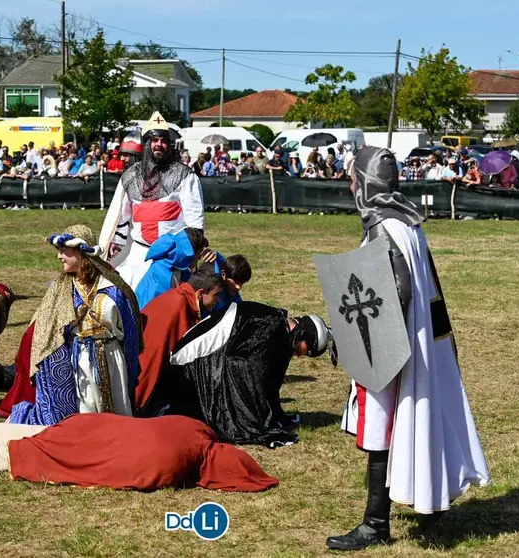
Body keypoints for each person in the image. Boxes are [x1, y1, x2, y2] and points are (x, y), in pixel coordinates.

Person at [326, 146, 491, 551]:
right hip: (418, 341)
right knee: (416, 420)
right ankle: (431, 506)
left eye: (353, 179)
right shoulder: (409, 221)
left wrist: (368, 342)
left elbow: (397, 292)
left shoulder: (384, 226)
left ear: (364, 184)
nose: (350, 186)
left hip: (396, 345)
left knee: (382, 426)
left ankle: (374, 524)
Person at [0, 413, 279, 492]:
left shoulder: (194, 427)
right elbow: (128, 475)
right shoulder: (173, 470)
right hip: (84, 455)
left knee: (42, 433)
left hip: (87, 427)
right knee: (7, 456)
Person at [0, 225, 142, 425]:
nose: (59, 257)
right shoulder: (62, 289)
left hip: (111, 357)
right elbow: (48, 331)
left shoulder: (113, 287)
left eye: (64, 251)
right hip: (80, 358)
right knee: (87, 408)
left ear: (81, 253)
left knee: (117, 407)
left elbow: (131, 331)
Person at [168, 301, 330, 447]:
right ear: (302, 334)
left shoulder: (277, 325)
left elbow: (266, 377)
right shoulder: (271, 325)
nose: (300, 355)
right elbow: (240, 365)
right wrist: (250, 421)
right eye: (306, 350)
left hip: (195, 366)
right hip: (187, 370)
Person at [99, 112, 205, 289]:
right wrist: (117, 242)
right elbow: (122, 214)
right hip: (138, 253)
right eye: (154, 140)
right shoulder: (131, 176)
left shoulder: (184, 176)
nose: (159, 144)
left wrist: (192, 251)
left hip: (170, 255)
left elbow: (194, 219)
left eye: (163, 140)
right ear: (147, 143)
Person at [134, 267, 222, 417]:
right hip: (148, 377)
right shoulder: (179, 306)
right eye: (216, 295)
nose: (218, 301)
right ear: (201, 293)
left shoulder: (180, 297)